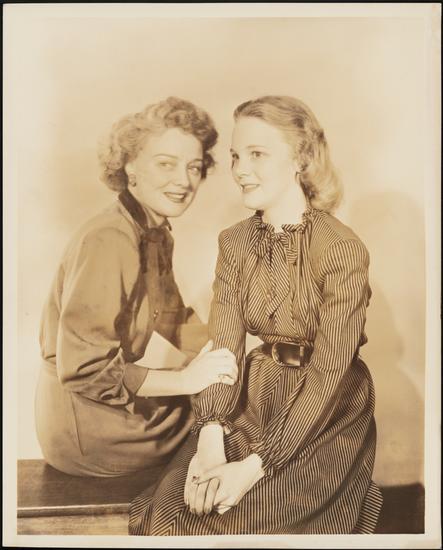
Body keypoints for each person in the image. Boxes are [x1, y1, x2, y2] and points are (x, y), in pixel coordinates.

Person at [128, 95, 383, 534]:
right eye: (235, 156)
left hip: (327, 410)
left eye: (257, 154)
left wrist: (253, 467)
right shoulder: (235, 243)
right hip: (251, 396)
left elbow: (329, 371)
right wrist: (210, 437)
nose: (240, 170)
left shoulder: (341, 248)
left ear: (301, 158)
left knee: (241, 524)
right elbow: (223, 348)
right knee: (175, 513)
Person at [36, 97, 238, 477]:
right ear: (130, 167)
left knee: (235, 409)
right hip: (90, 429)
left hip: (104, 412)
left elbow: (174, 323)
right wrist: (186, 379)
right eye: (166, 163)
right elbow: (85, 370)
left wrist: (233, 348)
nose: (184, 181)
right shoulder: (110, 238)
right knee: (236, 431)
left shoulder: (152, 232)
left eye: (194, 167)